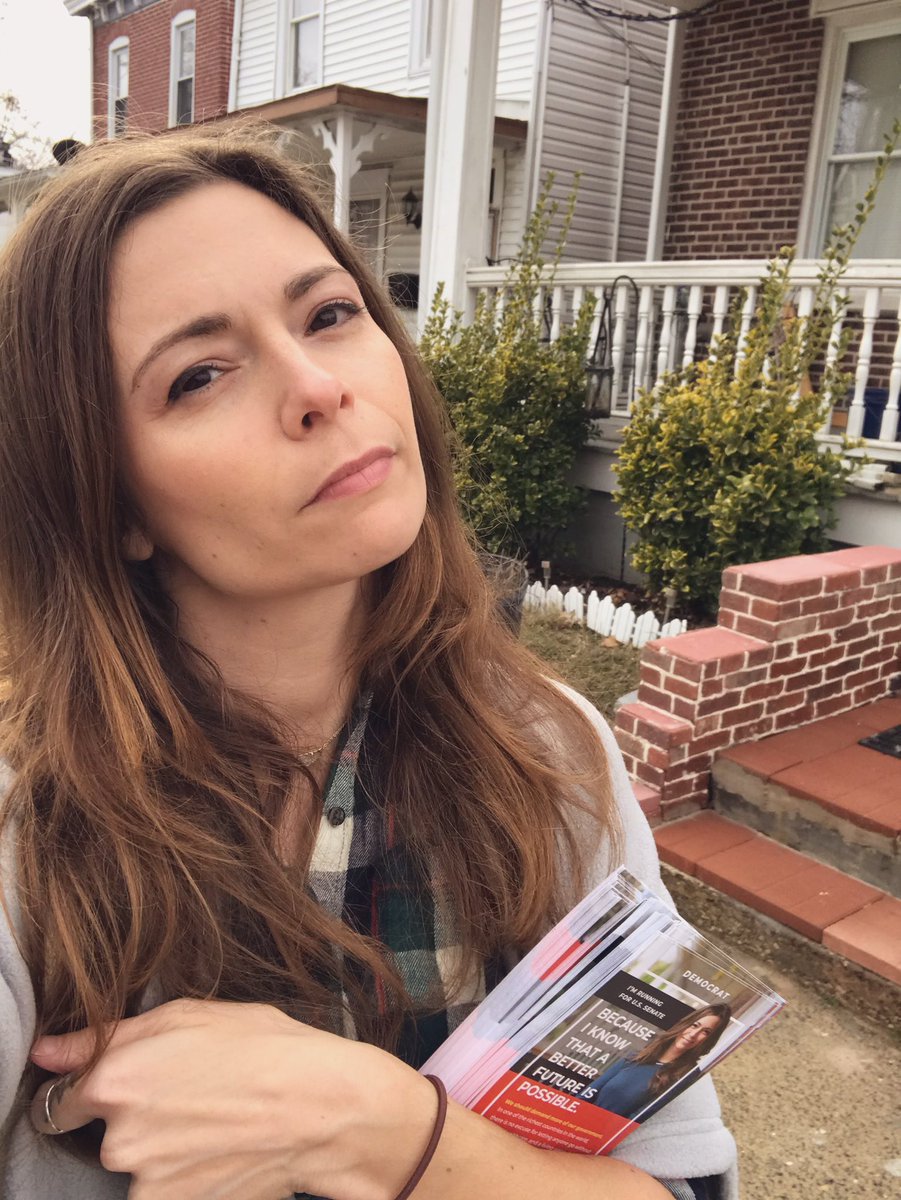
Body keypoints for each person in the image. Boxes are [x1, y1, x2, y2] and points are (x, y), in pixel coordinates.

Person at [0, 123, 737, 1200]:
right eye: (199, 375)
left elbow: (670, 1185)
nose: (317, 386)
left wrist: (387, 1134)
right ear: (106, 502)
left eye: (329, 314)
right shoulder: (28, 834)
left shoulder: (551, 749)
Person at [581, 1004, 732, 1121]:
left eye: (705, 1032)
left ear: (710, 1040)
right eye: (694, 1025)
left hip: (602, 1140)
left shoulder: (686, 1077)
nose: (693, 1034)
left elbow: (636, 1120)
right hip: (577, 1122)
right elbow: (591, 1090)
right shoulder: (638, 1055)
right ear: (685, 1024)